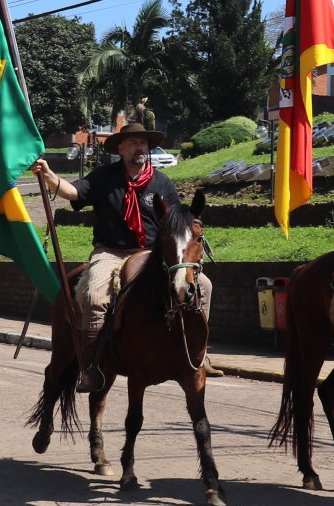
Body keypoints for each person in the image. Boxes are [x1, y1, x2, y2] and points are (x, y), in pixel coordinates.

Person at [31, 120, 210, 395]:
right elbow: (73, 192)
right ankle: (91, 366)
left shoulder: (162, 182)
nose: (140, 147)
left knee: (204, 285)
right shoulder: (104, 177)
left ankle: (199, 356)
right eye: (133, 142)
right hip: (111, 251)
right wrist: (48, 175)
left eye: (144, 143)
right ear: (121, 149)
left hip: (151, 255)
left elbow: (177, 223)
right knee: (94, 295)